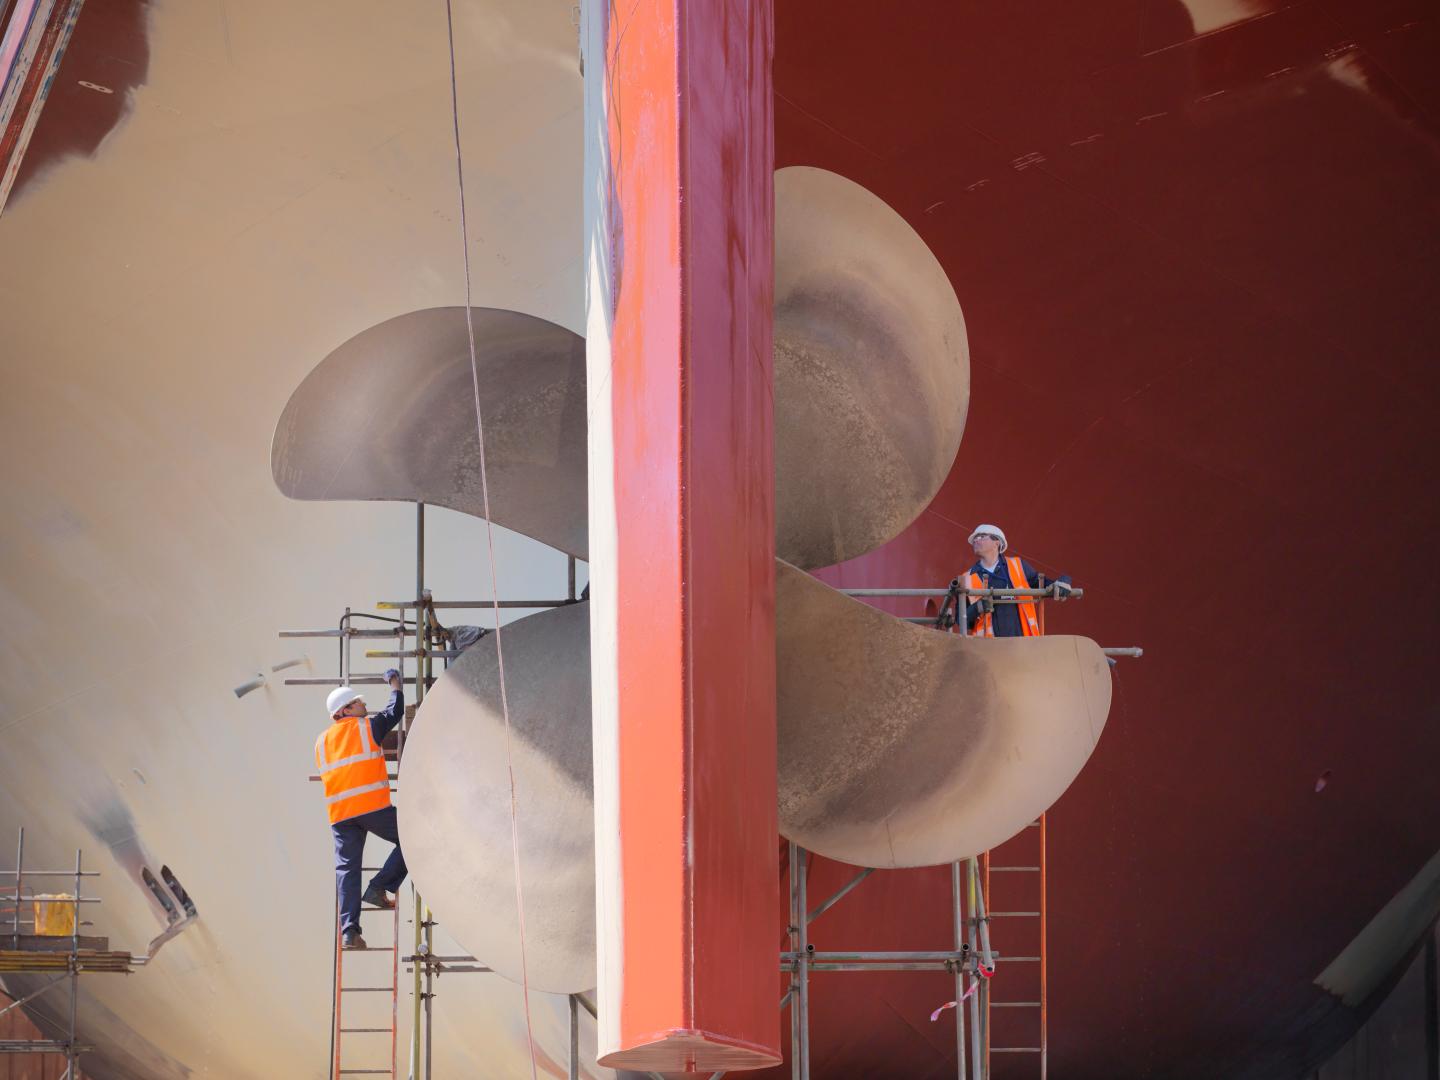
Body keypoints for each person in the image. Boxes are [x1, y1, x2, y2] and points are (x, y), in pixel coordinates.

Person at [316, 670, 407, 949]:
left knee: (347, 870)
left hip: (340, 815)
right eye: (358, 702)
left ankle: (349, 932)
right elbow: (395, 712)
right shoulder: (365, 727)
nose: (364, 706)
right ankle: (379, 886)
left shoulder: (321, 742)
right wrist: (395, 684)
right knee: (412, 837)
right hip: (370, 806)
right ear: (346, 710)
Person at [962, 523, 1072, 638]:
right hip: (989, 650)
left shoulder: (1018, 565)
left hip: (1023, 647)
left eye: (981, 536)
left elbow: (1044, 584)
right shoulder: (967, 578)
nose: (976, 540)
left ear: (997, 543)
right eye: (975, 538)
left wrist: (1064, 581)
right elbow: (962, 621)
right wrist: (978, 607)